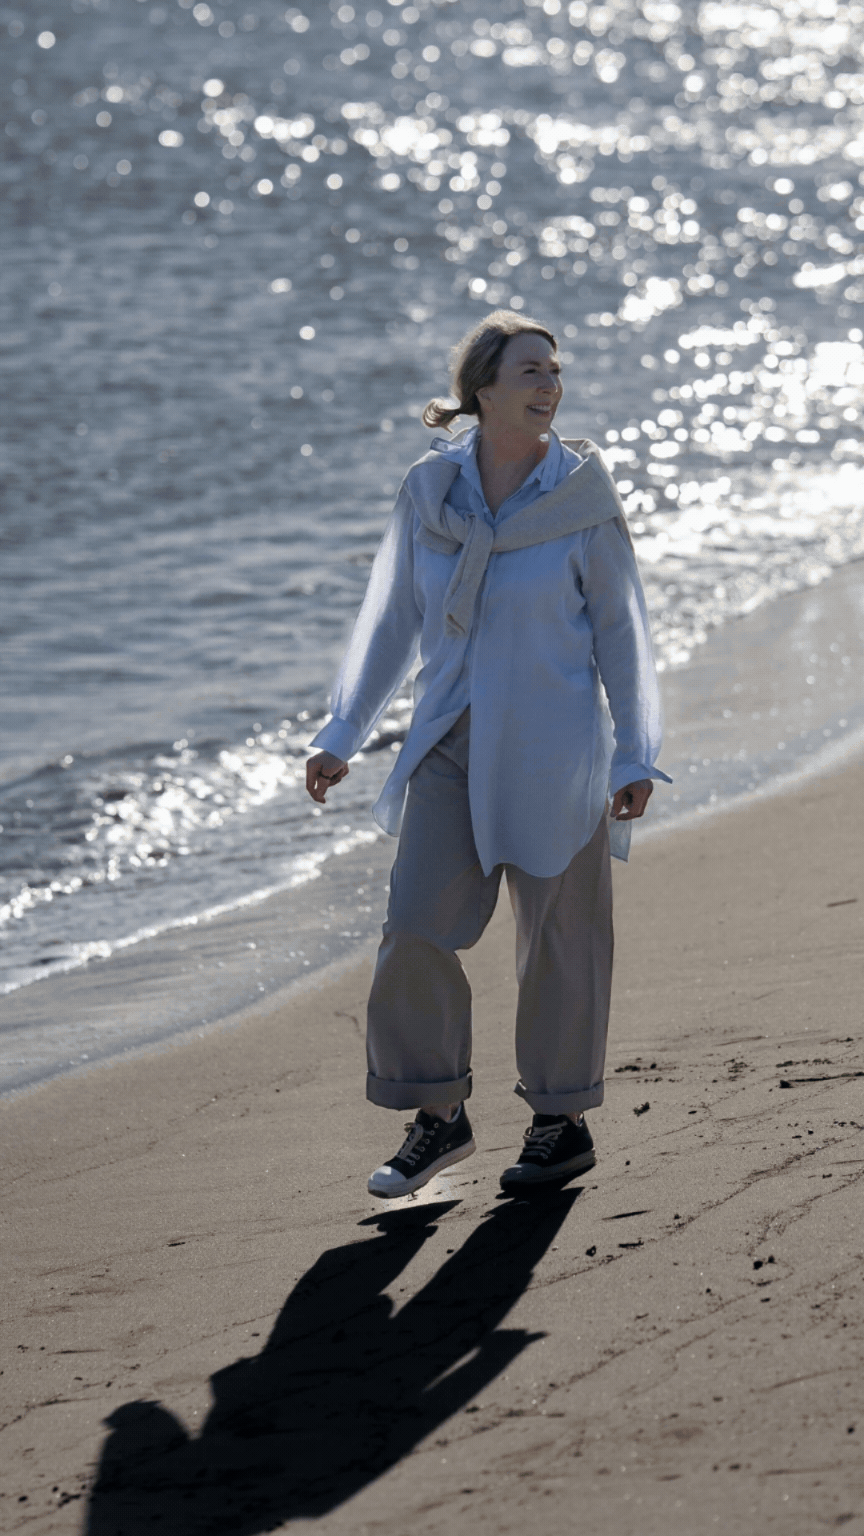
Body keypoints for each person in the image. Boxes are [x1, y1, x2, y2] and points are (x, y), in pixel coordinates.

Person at [305, 310, 670, 1199]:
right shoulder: (432, 491)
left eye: (555, 369)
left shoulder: (582, 500)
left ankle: (560, 1122)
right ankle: (439, 1114)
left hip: (555, 749)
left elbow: (623, 633)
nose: (550, 385)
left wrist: (635, 752)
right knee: (414, 930)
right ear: (483, 391)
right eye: (531, 370)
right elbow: (393, 617)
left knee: (559, 941)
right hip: (448, 745)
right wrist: (342, 731)